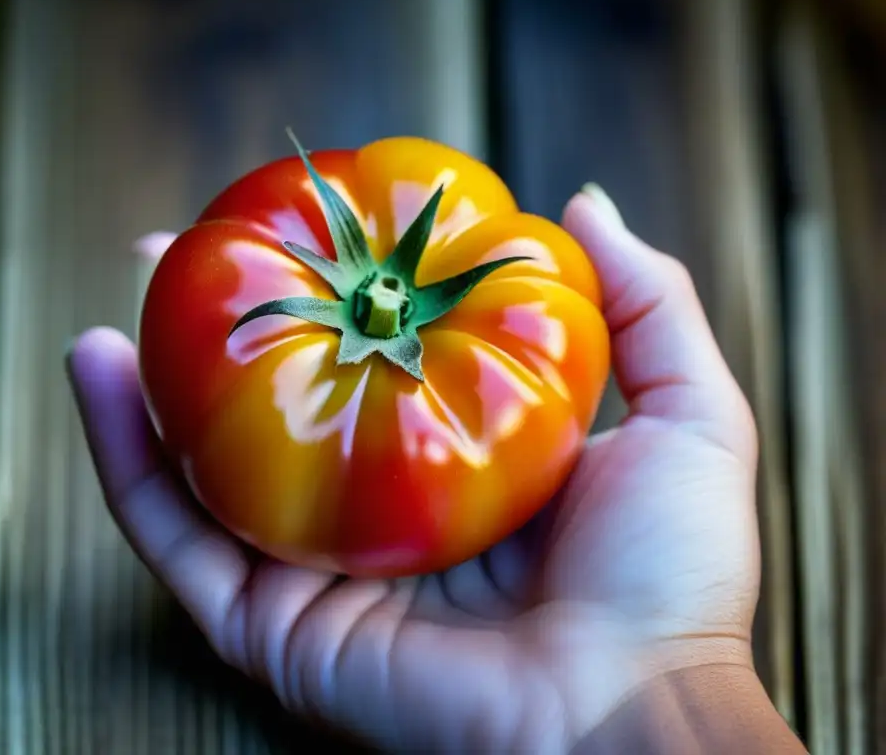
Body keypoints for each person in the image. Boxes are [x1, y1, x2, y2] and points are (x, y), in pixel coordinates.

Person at [66, 185, 808, 753]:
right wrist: (662, 677)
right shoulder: (533, 293)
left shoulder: (529, 304)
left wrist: (656, 668)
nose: (385, 297)